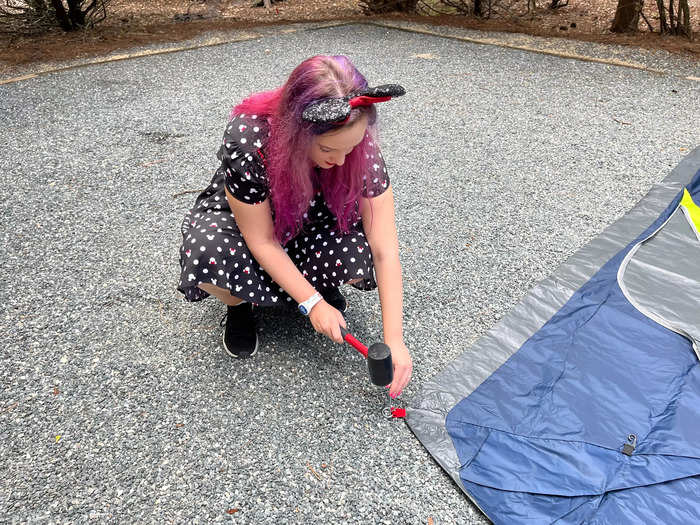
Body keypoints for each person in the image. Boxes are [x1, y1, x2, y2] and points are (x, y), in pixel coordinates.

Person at [177, 55, 412, 398]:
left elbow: (384, 248)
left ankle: (309, 286)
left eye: (352, 147)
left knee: (358, 251)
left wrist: (394, 339)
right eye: (329, 148)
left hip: (312, 218)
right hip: (251, 220)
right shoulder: (249, 138)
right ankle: (241, 305)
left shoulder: (358, 149)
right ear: (296, 132)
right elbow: (262, 239)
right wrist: (313, 303)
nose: (342, 160)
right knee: (207, 251)